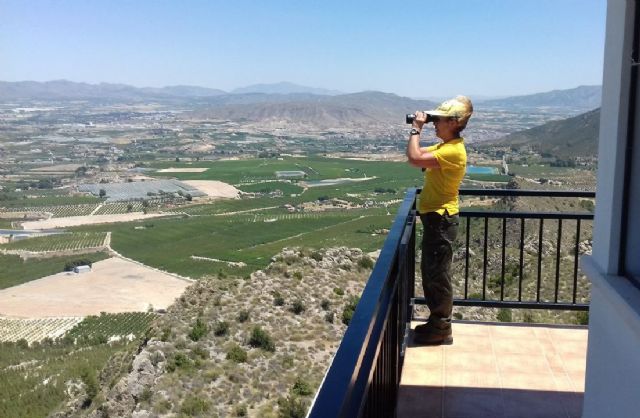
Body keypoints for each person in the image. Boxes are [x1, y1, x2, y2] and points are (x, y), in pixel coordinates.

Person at [405, 96, 473, 345]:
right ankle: (436, 323)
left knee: (438, 275)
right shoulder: (447, 147)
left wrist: (416, 128)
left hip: (441, 220)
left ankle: (441, 328)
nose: (435, 124)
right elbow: (419, 153)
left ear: (454, 123)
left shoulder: (453, 151)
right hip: (437, 220)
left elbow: (414, 158)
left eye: (439, 120)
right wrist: (420, 129)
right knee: (433, 273)